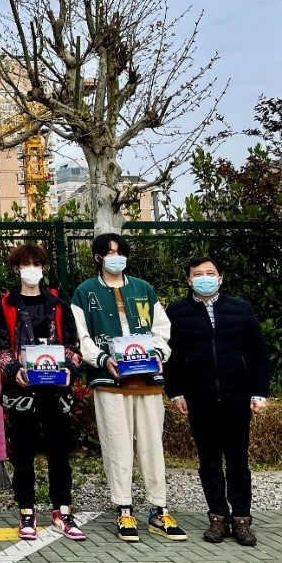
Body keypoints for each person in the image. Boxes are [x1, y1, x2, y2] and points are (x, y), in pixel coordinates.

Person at [70, 233, 185, 543]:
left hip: (147, 381)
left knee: (152, 445)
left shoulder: (143, 289)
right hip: (110, 382)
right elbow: (82, 337)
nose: (116, 257)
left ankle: (159, 510)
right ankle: (124, 509)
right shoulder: (85, 292)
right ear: (98, 258)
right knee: (117, 445)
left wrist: (159, 353)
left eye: (120, 252)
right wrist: (102, 359)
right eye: (109, 252)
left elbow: (161, 329)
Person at [165, 256, 270, 547]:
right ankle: (218, 517)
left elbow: (259, 353)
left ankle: (241, 518)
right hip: (199, 397)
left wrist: (259, 392)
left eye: (210, 273)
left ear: (221, 278)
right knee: (209, 461)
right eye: (198, 274)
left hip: (237, 396)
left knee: (238, 461)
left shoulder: (241, 309)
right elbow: (172, 356)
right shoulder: (177, 312)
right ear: (188, 280)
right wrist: (175, 393)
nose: (205, 278)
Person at [0, 244, 86, 541]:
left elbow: (73, 345)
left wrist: (70, 368)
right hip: (22, 391)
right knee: (23, 453)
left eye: (37, 264)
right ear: (16, 268)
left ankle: (62, 510)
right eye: (26, 264)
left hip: (56, 390)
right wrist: (13, 369)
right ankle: (27, 510)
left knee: (60, 452)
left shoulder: (58, 303)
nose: (32, 269)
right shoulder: (5, 304)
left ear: (44, 268)